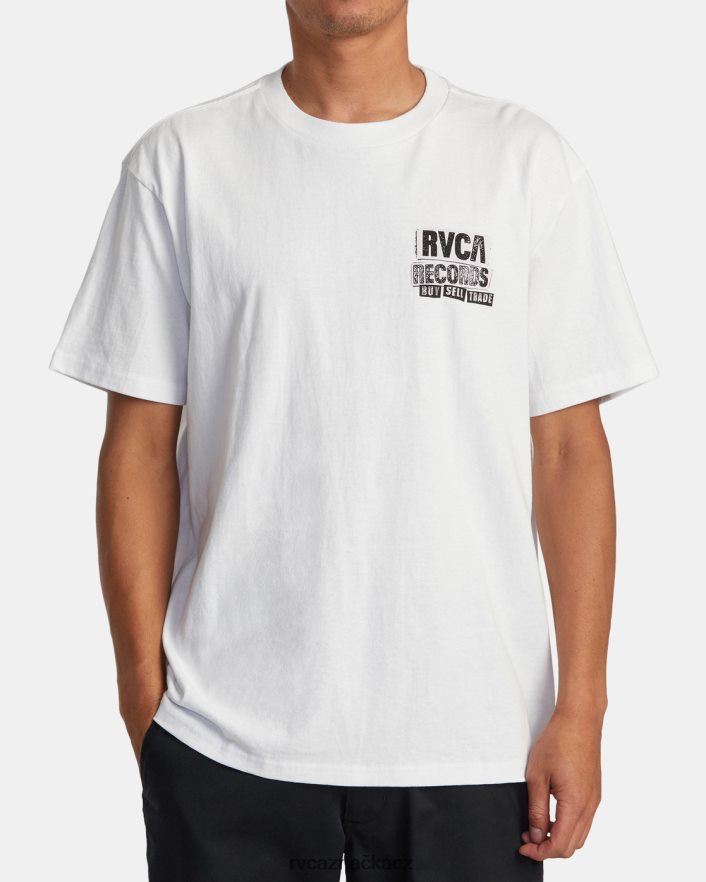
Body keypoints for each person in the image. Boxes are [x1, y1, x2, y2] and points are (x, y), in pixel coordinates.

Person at [48, 1, 658, 879]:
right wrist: (143, 699)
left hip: (475, 740)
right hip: (225, 740)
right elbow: (139, 450)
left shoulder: (524, 162)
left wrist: (585, 707)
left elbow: (569, 450)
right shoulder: (180, 163)